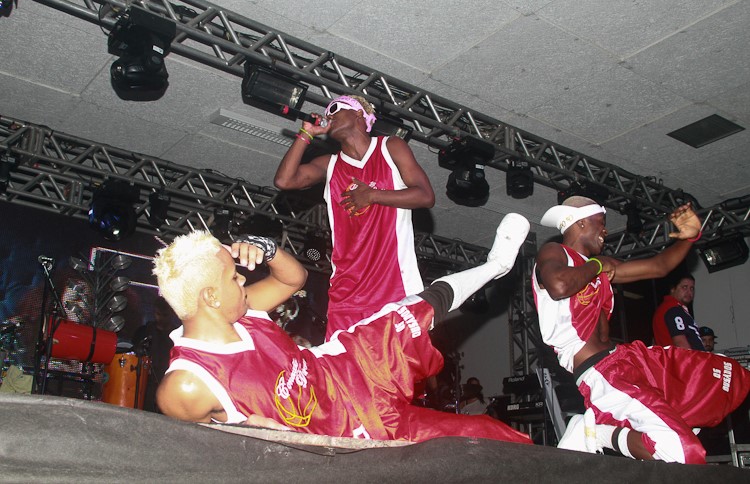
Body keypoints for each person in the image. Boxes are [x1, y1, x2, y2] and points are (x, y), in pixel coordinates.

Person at [153, 214, 533, 444]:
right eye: (232, 277)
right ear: (210, 297)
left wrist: (269, 250)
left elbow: (294, 279)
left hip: (349, 372)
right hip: (338, 444)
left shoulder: (243, 310)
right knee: (482, 440)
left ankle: (496, 265)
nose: (241, 279)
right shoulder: (187, 384)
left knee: (410, 311)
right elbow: (204, 458)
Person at [532, 196, 750, 464]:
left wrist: (689, 238)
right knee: (680, 451)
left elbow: (659, 267)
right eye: (601, 222)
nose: (605, 230)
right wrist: (598, 266)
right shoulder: (555, 252)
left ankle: (664, 426)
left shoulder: (600, 264)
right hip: (599, 371)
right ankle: (597, 433)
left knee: (727, 376)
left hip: (629, 358)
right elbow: (559, 286)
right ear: (581, 223)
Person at [274, 95, 435, 339]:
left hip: (393, 285)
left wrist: (372, 195)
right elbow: (284, 181)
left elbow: (425, 195)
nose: (329, 115)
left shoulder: (390, 147)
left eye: (335, 108)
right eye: (327, 112)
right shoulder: (330, 164)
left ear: (359, 113)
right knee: (345, 362)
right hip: (347, 292)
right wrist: (306, 134)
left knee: (395, 361)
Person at [652, 274, 705, 350]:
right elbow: (681, 343)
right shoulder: (672, 308)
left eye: (692, 288)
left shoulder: (672, 308)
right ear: (673, 289)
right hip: (683, 357)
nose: (689, 292)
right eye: (684, 287)